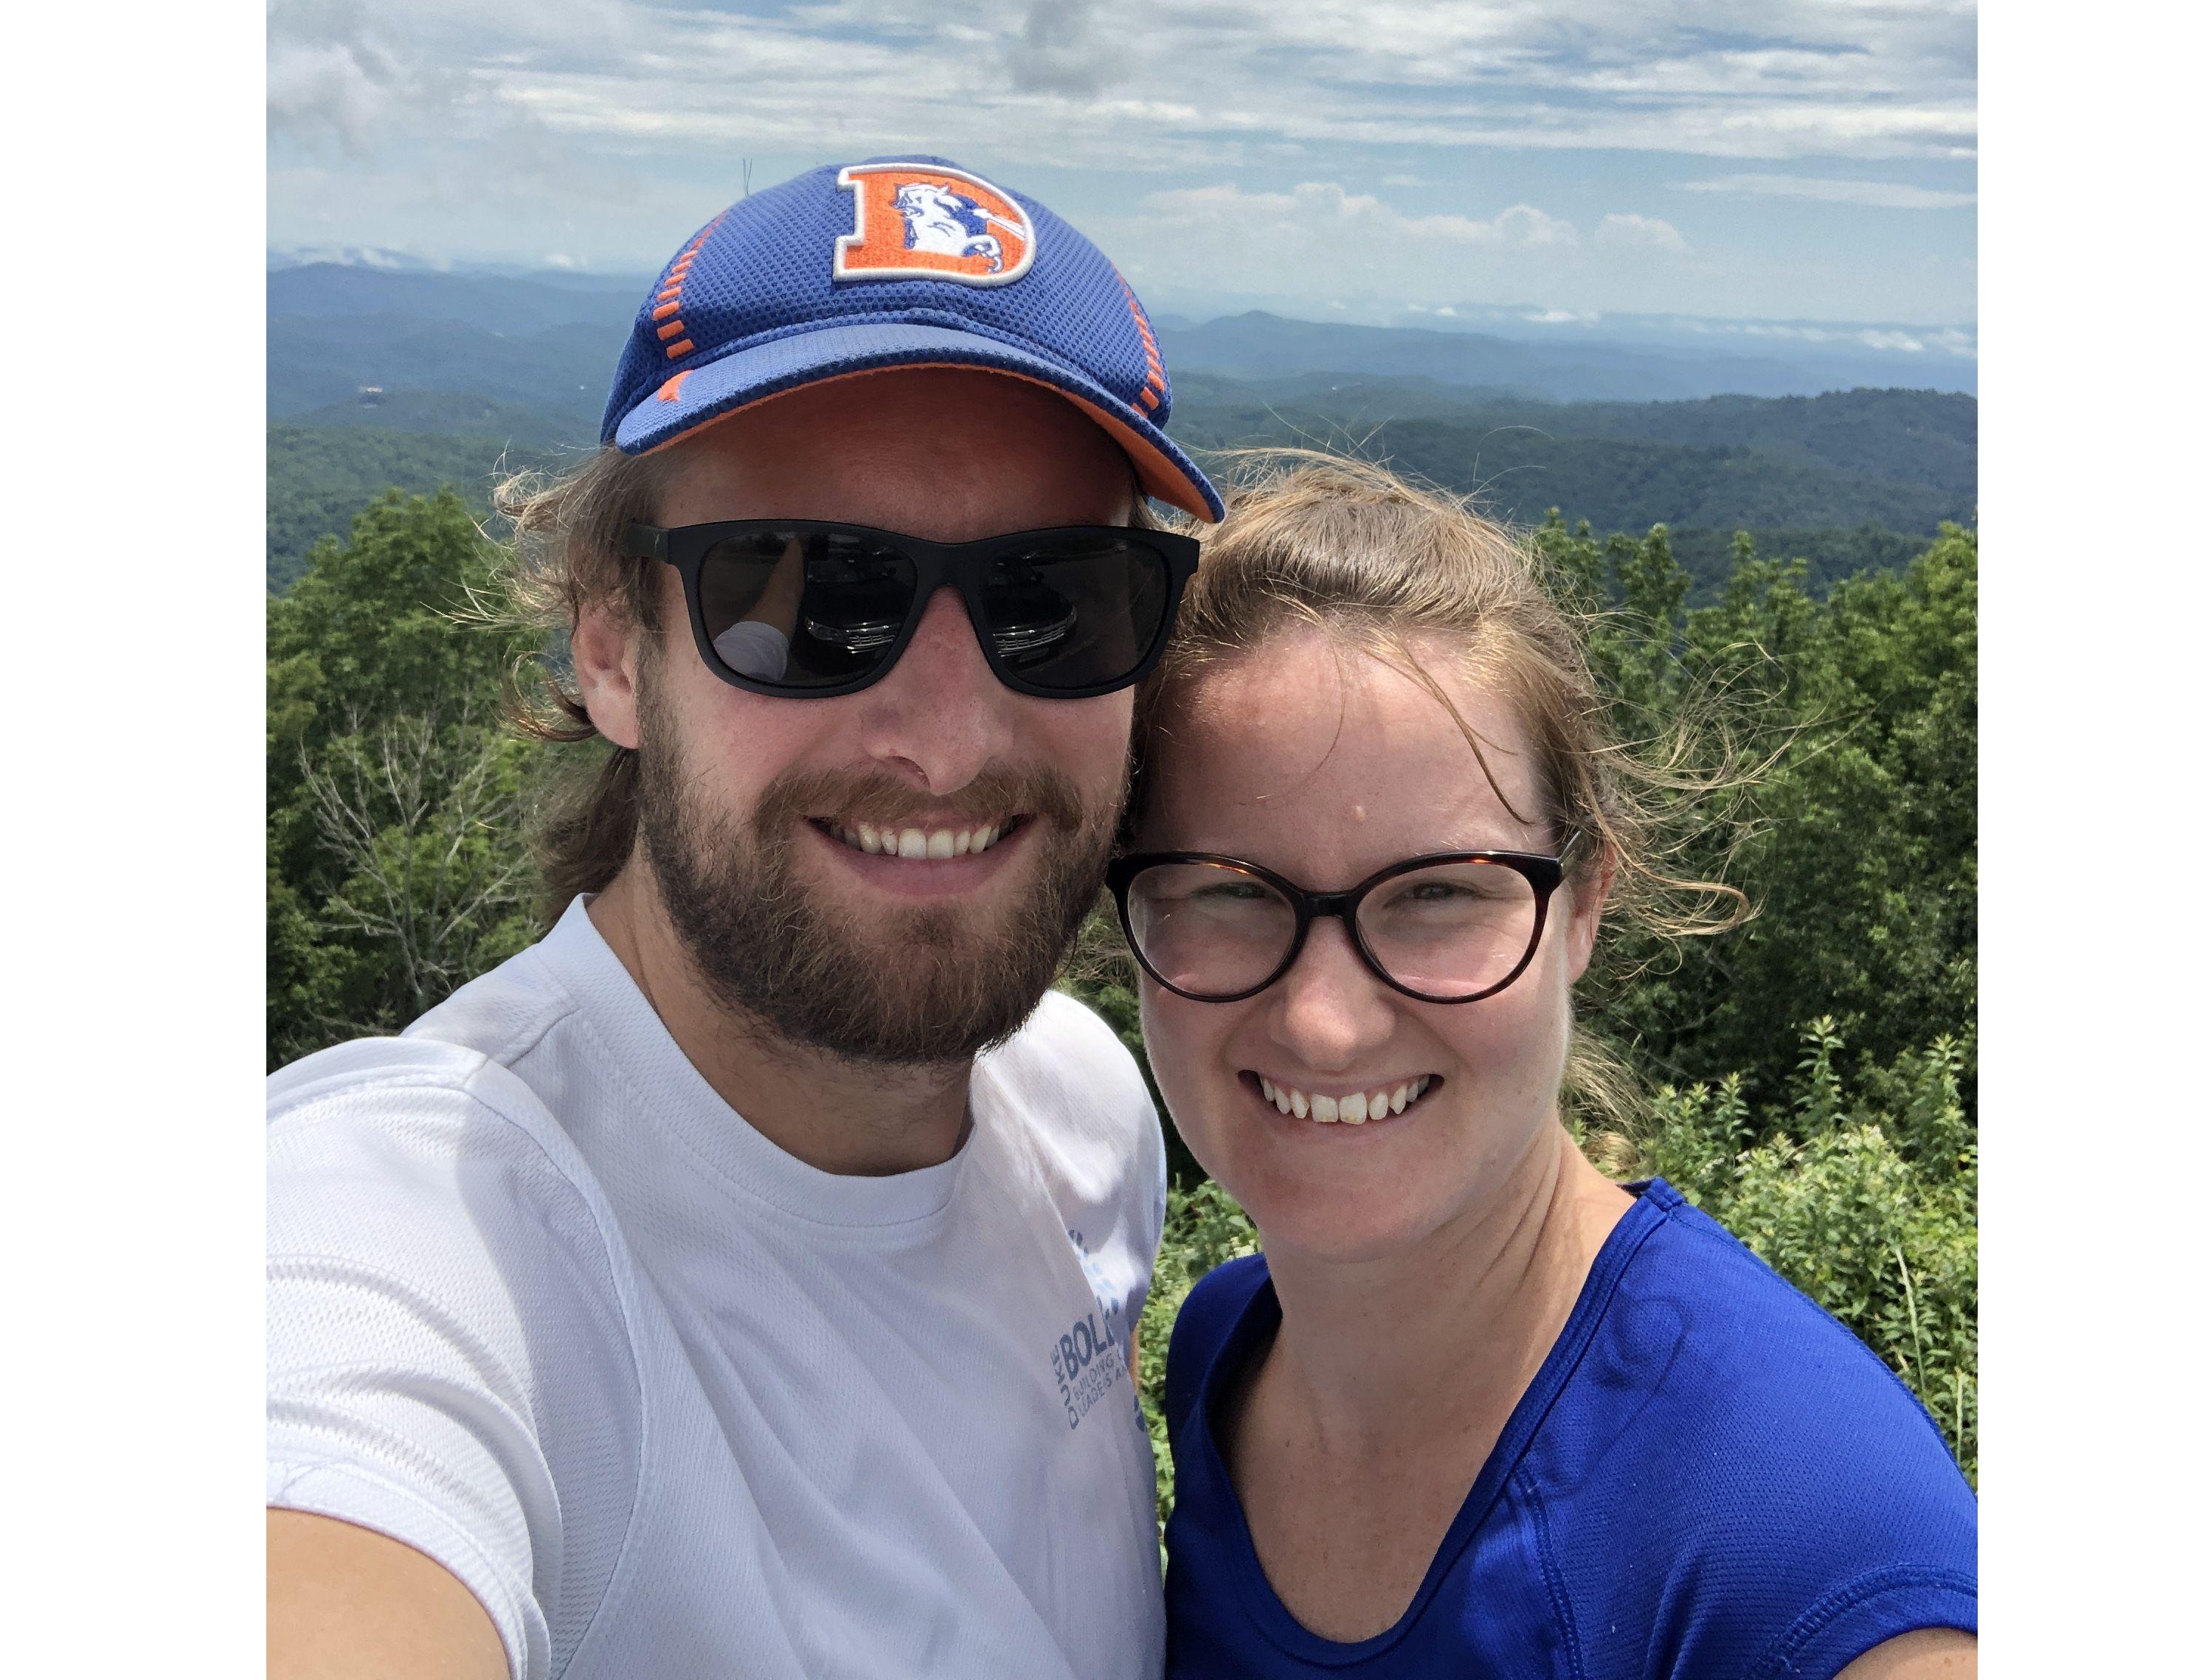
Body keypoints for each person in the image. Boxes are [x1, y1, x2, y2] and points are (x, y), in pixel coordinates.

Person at [266, 159, 1222, 1680]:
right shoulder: (422, 1229)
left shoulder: (1085, 1106)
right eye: (805, 594)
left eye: (1056, 595)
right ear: (611, 646)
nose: (949, 734)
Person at [1115, 461, 1978, 1679]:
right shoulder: (1224, 1354)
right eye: (1227, 893)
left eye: (1437, 895)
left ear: (1584, 907)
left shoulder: (1804, 1542)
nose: (1324, 1024)